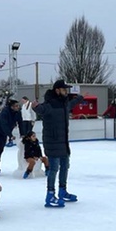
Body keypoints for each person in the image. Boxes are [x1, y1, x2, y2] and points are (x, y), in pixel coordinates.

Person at [33, 79, 83, 208]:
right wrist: (35, 107)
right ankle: (50, 195)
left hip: (63, 142)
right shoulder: (50, 104)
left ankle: (62, 191)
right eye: (64, 89)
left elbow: (72, 104)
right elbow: (42, 109)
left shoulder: (64, 104)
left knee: (65, 166)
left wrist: (80, 98)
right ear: (57, 90)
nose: (66, 91)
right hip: (52, 141)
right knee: (54, 168)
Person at [0, 99, 21, 175]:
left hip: (5, 131)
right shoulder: (5, 113)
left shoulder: (17, 112)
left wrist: (23, 134)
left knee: (1, 148)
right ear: (11, 107)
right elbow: (4, 125)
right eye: (16, 106)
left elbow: (21, 122)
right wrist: (10, 135)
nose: (18, 107)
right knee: (0, 148)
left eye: (18, 105)